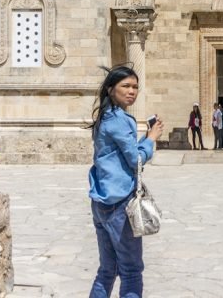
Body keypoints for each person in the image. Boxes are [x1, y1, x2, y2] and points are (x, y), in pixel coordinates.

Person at [87, 65, 164, 298]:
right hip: (120, 203)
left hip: (101, 201)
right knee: (131, 271)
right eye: (126, 86)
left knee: (107, 269)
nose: (132, 91)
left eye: (135, 87)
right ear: (111, 89)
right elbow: (136, 161)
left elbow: (122, 153)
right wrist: (150, 140)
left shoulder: (105, 117)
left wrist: (144, 139)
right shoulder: (121, 120)